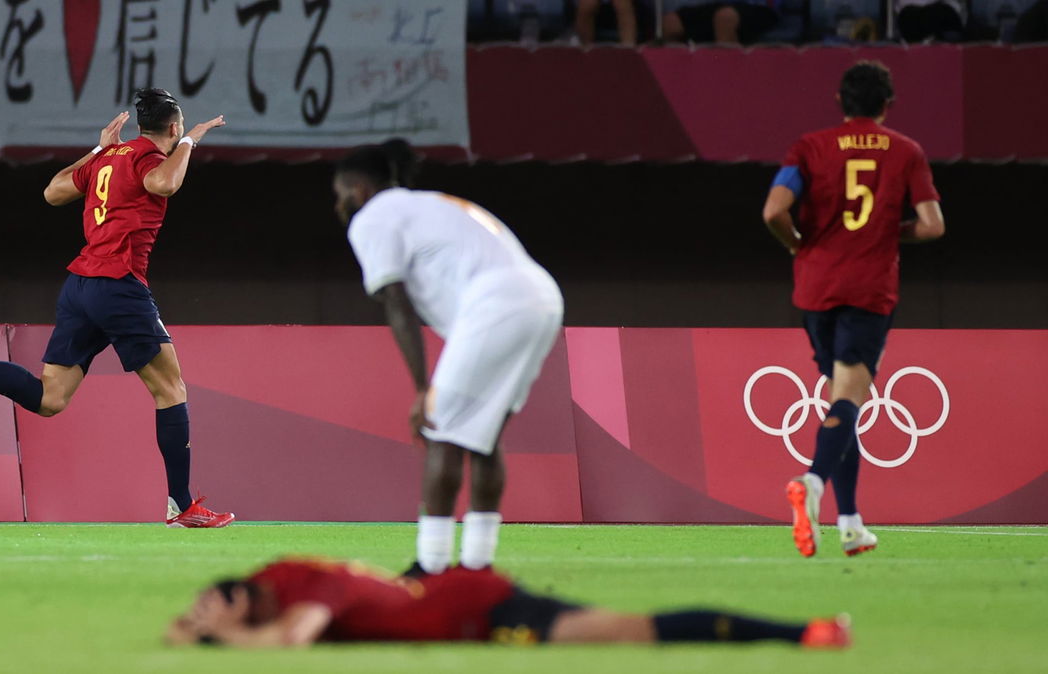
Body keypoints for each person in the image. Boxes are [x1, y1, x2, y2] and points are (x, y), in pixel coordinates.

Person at [0, 89, 235, 529]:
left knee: (49, 399)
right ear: (172, 127)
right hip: (119, 286)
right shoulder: (148, 160)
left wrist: (97, 149)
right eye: (179, 128)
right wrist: (192, 140)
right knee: (170, 391)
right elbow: (165, 183)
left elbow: (53, 192)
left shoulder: (110, 156)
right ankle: (182, 504)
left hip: (80, 287)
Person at [334, 140, 564, 576]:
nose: (339, 203)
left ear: (360, 188)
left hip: (498, 304)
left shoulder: (373, 217)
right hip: (543, 298)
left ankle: (432, 565)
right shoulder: (430, 204)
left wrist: (424, 389)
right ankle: (478, 566)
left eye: (341, 192)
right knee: (484, 436)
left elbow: (396, 302)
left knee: (442, 430)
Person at [761, 62, 945, 557]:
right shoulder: (906, 151)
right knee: (848, 398)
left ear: (841, 103)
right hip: (867, 289)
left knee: (841, 402)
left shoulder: (808, 147)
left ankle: (849, 522)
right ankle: (813, 482)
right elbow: (932, 225)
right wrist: (889, 230)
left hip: (815, 289)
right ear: (888, 105)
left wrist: (798, 245)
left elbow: (773, 211)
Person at [165, 557, 852, 648]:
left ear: (243, 598)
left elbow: (293, 640)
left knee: (631, 632)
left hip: (483, 606)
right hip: (455, 596)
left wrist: (214, 639)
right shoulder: (274, 583)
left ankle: (808, 632)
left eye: (213, 606)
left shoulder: (302, 589)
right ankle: (806, 632)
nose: (208, 614)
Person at [661, 0, 779, 45]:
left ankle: (728, 84)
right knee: (671, 23)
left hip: (760, 7)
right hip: (723, 4)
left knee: (725, 18)